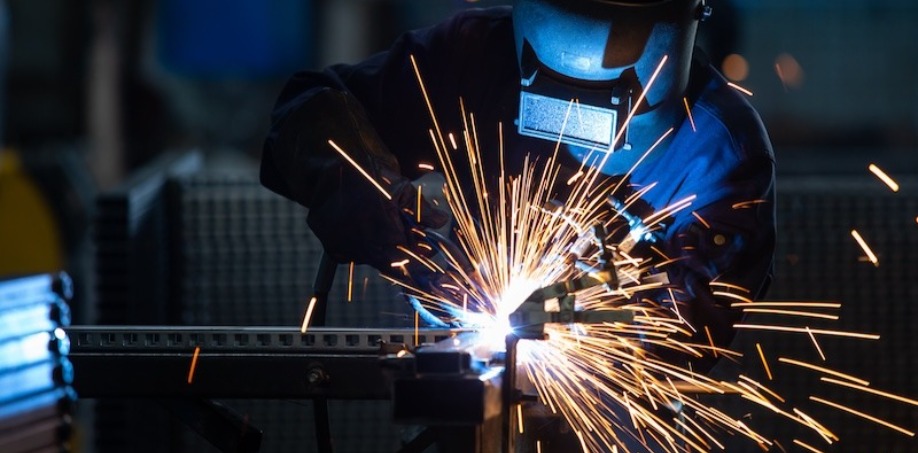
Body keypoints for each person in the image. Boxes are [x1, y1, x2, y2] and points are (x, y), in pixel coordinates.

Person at [260, 0, 774, 450]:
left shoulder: (718, 148)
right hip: (468, 398)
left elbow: (690, 320)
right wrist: (370, 195)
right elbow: (309, 106)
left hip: (617, 423)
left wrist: (580, 302)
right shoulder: (472, 56)